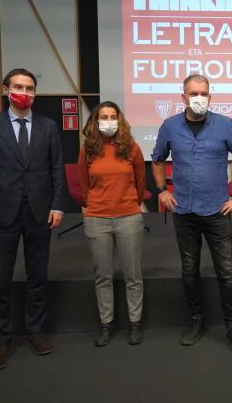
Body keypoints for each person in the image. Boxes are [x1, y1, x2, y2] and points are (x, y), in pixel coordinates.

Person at [151, 74, 232, 355]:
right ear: (183, 97)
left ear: (210, 96)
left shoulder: (225, 125)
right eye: (193, 93)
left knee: (227, 273)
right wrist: (161, 190)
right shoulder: (169, 126)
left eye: (204, 93)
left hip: (217, 210)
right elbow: (157, 158)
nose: (199, 98)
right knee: (189, 271)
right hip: (183, 211)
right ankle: (196, 321)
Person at [0, 68, 65, 371]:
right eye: (19, 87)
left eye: (30, 88)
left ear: (35, 93)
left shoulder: (48, 127)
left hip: (40, 213)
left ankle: (35, 332)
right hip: (0, 215)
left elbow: (56, 171)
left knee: (37, 277)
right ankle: (1, 342)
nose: (24, 92)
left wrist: (57, 205)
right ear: (5, 90)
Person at [78, 101, 146, 347]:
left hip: (128, 216)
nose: (108, 121)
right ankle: (106, 324)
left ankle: (135, 323)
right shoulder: (88, 149)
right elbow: (84, 185)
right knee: (103, 276)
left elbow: (140, 184)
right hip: (97, 219)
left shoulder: (132, 148)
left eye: (112, 116)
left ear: (120, 120)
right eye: (103, 117)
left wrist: (128, 204)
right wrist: (95, 206)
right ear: (96, 121)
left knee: (133, 275)